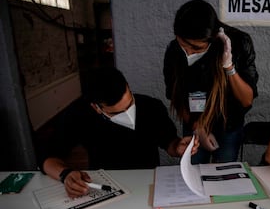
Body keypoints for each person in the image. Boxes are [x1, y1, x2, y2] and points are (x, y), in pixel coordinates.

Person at [38, 67, 198, 198]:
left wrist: (177, 147)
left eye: (130, 104)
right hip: (106, 184)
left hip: (149, 183)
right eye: (117, 113)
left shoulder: (152, 106)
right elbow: (46, 156)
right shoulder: (79, 114)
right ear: (96, 107)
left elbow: (168, 141)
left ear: (128, 86)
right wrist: (65, 174)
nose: (128, 113)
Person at [163, 0, 259, 164]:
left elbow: (246, 99)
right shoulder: (174, 51)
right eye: (183, 44)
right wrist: (197, 127)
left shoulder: (239, 44)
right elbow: (175, 96)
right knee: (194, 170)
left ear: (212, 38)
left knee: (223, 172)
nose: (188, 51)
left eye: (196, 48)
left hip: (229, 125)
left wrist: (229, 66)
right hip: (194, 123)